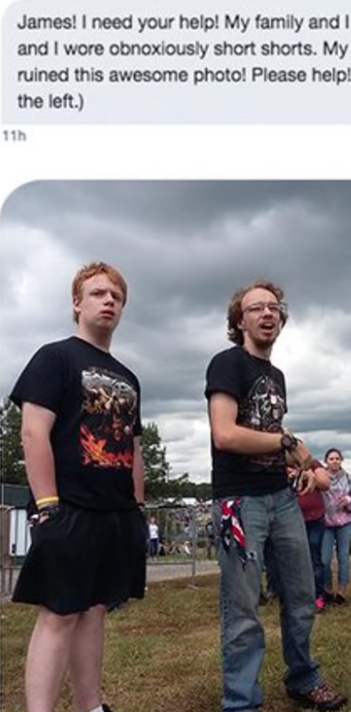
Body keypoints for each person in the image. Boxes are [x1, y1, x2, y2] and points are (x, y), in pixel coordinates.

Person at [9, 262, 148, 712]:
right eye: (97, 293)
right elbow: (33, 432)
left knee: (95, 610)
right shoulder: (55, 357)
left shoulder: (128, 377)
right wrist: (48, 505)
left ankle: (90, 706)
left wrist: (137, 509)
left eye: (116, 296)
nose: (108, 301)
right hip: (67, 506)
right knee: (60, 613)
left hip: (115, 512)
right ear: (76, 303)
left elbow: (134, 447)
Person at [205, 278, 346, 712]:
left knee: (302, 596)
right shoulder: (227, 364)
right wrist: (290, 445)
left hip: (280, 497)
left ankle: (302, 678)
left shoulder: (275, 375)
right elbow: (225, 434)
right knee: (243, 607)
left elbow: (264, 435)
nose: (267, 314)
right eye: (256, 308)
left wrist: (293, 466)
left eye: (274, 307)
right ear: (239, 320)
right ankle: (241, 700)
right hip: (239, 502)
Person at [321, 448, 351, 605]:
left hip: (345, 522)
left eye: (337, 458)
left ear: (342, 460)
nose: (335, 461)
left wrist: (349, 501)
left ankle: (342, 591)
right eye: (331, 459)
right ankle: (328, 588)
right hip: (326, 522)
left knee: (343, 557)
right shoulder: (321, 477)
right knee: (325, 558)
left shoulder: (349, 480)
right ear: (326, 461)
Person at [295, 464, 331, 612]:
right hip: (291, 518)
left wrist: (305, 474)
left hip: (315, 518)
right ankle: (298, 597)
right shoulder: (279, 465)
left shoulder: (313, 463)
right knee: (293, 558)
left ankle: (318, 595)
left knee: (314, 556)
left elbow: (325, 483)